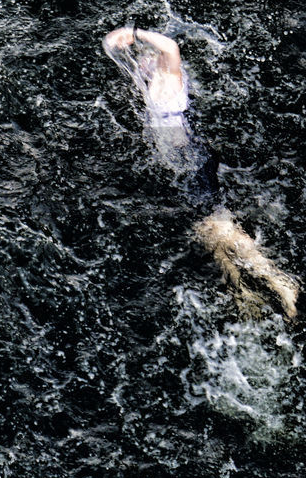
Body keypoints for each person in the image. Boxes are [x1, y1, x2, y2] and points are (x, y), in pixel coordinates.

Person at [103, 26, 298, 318]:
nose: (143, 61)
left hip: (191, 161)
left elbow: (170, 47)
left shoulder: (171, 80)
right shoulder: (154, 85)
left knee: (221, 228)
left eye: (148, 57)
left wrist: (134, 33)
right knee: (208, 233)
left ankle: (280, 282)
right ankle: (243, 293)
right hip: (183, 164)